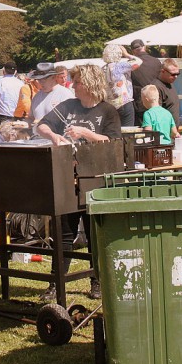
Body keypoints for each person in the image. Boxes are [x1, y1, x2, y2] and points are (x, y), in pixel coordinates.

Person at [36, 64, 120, 302]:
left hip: (95, 180)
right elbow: (41, 124)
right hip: (68, 177)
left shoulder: (108, 111)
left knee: (95, 234)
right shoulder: (68, 106)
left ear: (90, 84)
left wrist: (85, 133)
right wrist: (54, 136)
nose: (73, 85)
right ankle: (56, 282)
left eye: (77, 82)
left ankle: (98, 281)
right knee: (63, 233)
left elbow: (113, 142)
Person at [101, 44, 141, 127]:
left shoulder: (102, 70)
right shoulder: (118, 66)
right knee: (127, 132)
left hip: (110, 104)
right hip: (124, 102)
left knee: (114, 132)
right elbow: (139, 61)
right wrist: (126, 54)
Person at [29, 63, 74, 128]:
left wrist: (43, 123)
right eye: (38, 79)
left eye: (43, 79)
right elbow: (31, 118)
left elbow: (72, 121)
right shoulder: (36, 97)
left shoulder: (66, 95)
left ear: (53, 77)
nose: (40, 82)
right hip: (37, 137)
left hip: (57, 137)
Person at [129, 38, 162, 123]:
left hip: (139, 102)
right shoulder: (156, 62)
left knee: (142, 131)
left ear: (133, 51)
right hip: (156, 100)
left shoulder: (130, 64)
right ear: (144, 47)